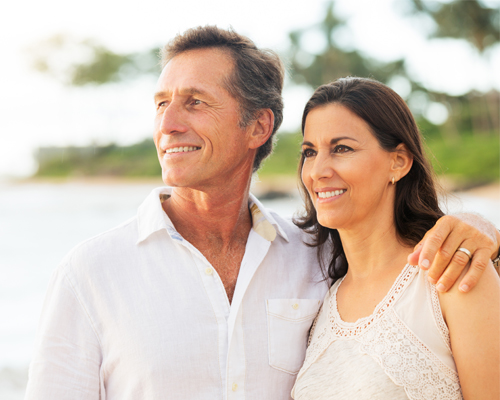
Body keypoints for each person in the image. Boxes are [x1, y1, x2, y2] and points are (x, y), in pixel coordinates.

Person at [25, 27, 500, 400]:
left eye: (194, 102)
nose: (168, 125)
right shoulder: (90, 274)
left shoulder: (313, 257)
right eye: (161, 104)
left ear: (258, 125)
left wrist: (480, 229)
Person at [291, 77, 500, 400]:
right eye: (310, 151)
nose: (317, 170)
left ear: (398, 162)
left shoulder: (452, 275)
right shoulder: (318, 297)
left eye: (341, 148)